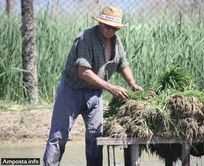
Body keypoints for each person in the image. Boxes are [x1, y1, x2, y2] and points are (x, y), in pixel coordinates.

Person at [43, 5, 143, 166]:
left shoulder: (116, 42)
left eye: (114, 27)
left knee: (95, 136)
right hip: (71, 91)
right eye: (107, 26)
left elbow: (123, 64)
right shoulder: (85, 38)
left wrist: (132, 84)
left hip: (94, 94)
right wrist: (111, 88)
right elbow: (84, 72)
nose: (110, 30)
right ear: (100, 23)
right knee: (59, 135)